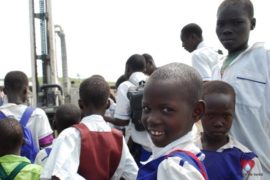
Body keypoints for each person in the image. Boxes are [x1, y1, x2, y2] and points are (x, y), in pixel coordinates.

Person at [212, 0, 270, 178]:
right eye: (221, 24)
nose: (227, 29)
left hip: (260, 166)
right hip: (223, 165)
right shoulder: (216, 67)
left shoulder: (264, 58)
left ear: (252, 24)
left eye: (237, 23)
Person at [41, 75, 138, 180]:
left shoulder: (70, 135)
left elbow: (56, 175)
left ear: (80, 104)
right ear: (107, 105)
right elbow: (131, 173)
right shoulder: (118, 138)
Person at [137, 62, 208, 180]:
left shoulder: (172, 168)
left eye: (166, 109)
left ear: (196, 112)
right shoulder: (175, 158)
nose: (152, 119)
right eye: (146, 108)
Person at [196, 80, 263, 179]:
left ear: (233, 114)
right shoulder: (187, 151)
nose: (218, 123)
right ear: (200, 113)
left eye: (225, 115)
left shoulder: (246, 159)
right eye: (211, 115)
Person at [104, 54, 153, 166]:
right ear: (144, 68)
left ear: (127, 68)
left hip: (146, 148)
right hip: (163, 144)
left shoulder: (126, 86)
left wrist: (102, 117)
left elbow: (122, 121)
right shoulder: (154, 80)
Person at [0, 71, 53, 150]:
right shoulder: (38, 114)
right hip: (33, 162)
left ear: (4, 91)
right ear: (26, 91)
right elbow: (48, 149)